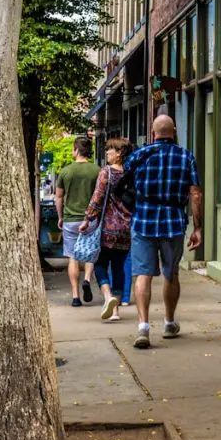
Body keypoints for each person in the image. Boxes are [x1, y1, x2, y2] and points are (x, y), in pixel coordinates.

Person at [123, 114, 202, 349]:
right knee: (171, 273)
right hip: (173, 221)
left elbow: (124, 182)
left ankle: (143, 327)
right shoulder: (186, 156)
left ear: (153, 132)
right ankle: (168, 322)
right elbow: (195, 194)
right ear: (174, 131)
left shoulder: (138, 156)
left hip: (143, 220)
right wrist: (197, 228)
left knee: (142, 274)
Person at [80, 137, 133, 321]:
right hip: (127, 230)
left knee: (100, 264)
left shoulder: (106, 173)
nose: (107, 153)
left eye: (110, 150)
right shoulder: (131, 173)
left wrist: (87, 219)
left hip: (108, 230)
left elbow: (97, 198)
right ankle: (116, 311)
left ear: (119, 153)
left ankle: (108, 296)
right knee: (119, 268)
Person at [56, 135, 99, 307]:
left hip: (70, 220)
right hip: (91, 219)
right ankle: (87, 279)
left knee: (73, 257)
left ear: (76, 150)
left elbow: (59, 197)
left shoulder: (66, 171)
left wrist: (60, 217)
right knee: (90, 253)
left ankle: (75, 297)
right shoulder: (97, 171)